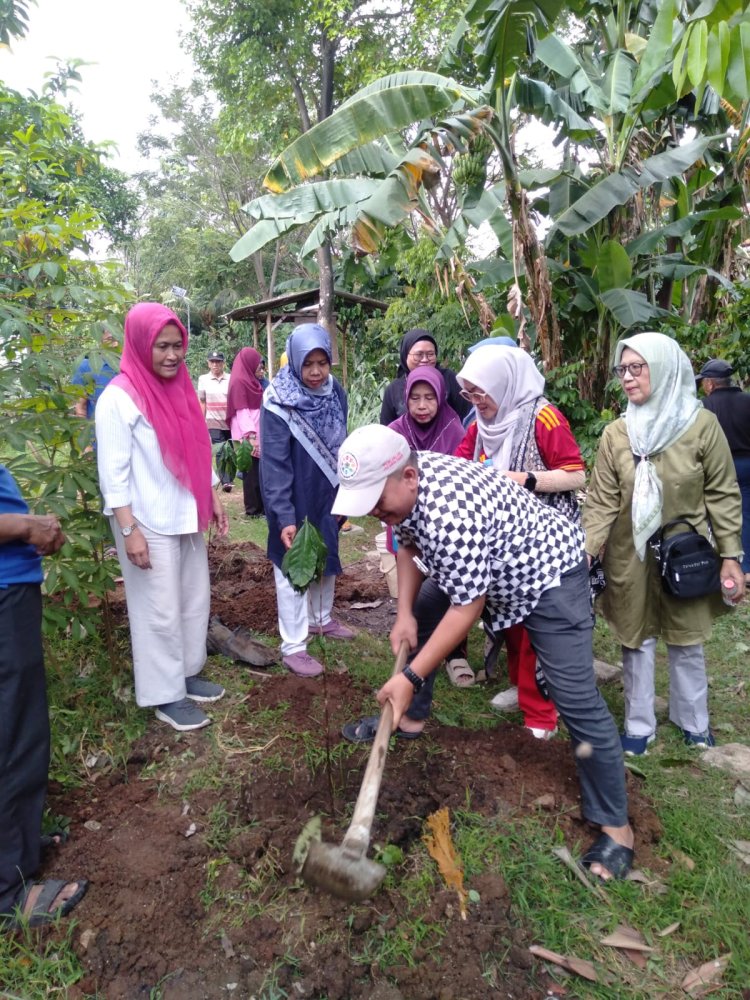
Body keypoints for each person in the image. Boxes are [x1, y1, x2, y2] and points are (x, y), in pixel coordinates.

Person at [333, 425, 635, 881]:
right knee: (425, 613)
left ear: (410, 478)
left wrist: (409, 676)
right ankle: (410, 719)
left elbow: (467, 607)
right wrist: (405, 613)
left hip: (548, 574)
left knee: (574, 696)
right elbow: (407, 540)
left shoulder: (450, 513)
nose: (376, 511)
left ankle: (618, 829)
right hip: (495, 565)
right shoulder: (404, 488)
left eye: (377, 499)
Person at [583, 334, 745, 757]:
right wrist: (587, 548)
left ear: (665, 367)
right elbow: (602, 499)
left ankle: (694, 721)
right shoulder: (618, 434)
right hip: (629, 554)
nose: (628, 378)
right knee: (635, 640)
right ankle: (639, 724)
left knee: (686, 638)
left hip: (685, 552)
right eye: (623, 369)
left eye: (638, 367)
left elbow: (723, 493)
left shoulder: (700, 425)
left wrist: (731, 556)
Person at [95, 303, 229, 732]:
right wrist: (129, 530)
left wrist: (212, 494)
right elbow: (112, 473)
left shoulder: (180, 386)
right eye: (161, 347)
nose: (172, 356)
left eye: (178, 347)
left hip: (184, 511)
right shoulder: (119, 396)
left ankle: (186, 673)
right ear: (139, 344)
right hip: (146, 518)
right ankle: (164, 694)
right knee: (158, 609)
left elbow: (197, 446)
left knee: (193, 598)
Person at [454, 345, 586, 737]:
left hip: (544, 538)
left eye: (482, 393)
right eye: (469, 394)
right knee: (509, 617)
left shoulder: (543, 418)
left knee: (536, 624)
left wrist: (524, 479)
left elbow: (576, 474)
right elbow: (463, 463)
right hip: (502, 538)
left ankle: (541, 712)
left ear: (506, 384)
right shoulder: (480, 424)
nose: (477, 401)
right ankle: (519, 685)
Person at [1, 467, 88, 928]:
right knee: (10, 733)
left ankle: (18, 844)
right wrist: (24, 525)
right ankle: (7, 892)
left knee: (21, 726)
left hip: (11, 586)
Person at [260, 323, 355, 677]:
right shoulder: (278, 400)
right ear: (295, 361)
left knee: (326, 551)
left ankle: (321, 618)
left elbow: (342, 446)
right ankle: (294, 645)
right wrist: (283, 514)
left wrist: (345, 495)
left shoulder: (336, 393)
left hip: (326, 489)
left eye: (323, 363)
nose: (316, 372)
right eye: (308, 364)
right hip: (292, 493)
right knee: (293, 564)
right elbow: (274, 463)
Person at [389, 366, 469, 685]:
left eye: (429, 398)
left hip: (447, 528)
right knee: (416, 593)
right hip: (408, 526)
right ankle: (416, 653)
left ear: (441, 397)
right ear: (405, 399)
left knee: (453, 590)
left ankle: (455, 653)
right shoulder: (396, 432)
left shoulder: (454, 430)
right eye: (415, 399)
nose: (422, 406)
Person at [696, 358, 750, 585]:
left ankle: (720, 563)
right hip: (747, 464)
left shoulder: (704, 407)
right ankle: (746, 569)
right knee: (746, 514)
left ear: (710, 384)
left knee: (715, 512)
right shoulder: (747, 401)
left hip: (717, 467)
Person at [379, 328, 471, 426]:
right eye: (418, 355)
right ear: (405, 355)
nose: (425, 360)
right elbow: (386, 431)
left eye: (430, 354)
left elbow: (467, 418)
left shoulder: (449, 379)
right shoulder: (393, 390)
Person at [227, 348, 265, 517]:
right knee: (251, 474)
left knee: (259, 472)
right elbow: (242, 412)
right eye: (258, 366)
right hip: (247, 436)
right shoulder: (239, 382)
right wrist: (251, 436)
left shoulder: (254, 381)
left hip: (256, 432)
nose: (260, 369)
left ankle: (261, 506)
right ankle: (253, 509)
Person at [197, 349, 233, 492]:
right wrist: (201, 420)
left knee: (230, 449)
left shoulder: (230, 378)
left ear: (223, 364)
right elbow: (202, 401)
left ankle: (229, 476)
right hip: (213, 420)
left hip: (229, 420)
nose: (215, 365)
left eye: (218, 362)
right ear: (208, 363)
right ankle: (226, 481)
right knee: (219, 450)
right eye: (212, 362)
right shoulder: (203, 379)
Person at [71, 329, 119, 421]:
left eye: (118, 340)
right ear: (100, 341)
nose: (115, 344)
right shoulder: (86, 366)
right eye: (110, 339)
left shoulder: (132, 366)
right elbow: (80, 406)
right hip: (95, 430)